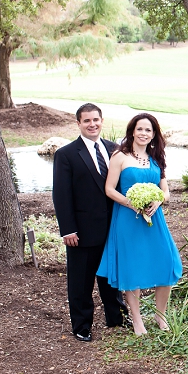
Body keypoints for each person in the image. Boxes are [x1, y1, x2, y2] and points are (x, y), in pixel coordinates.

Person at [96, 113, 183, 336]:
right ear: (132, 131)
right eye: (140, 129)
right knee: (132, 267)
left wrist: (159, 199)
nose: (144, 133)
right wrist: (130, 203)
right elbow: (109, 189)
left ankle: (160, 316)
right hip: (127, 219)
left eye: (148, 130)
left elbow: (166, 191)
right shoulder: (120, 156)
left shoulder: (156, 158)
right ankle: (137, 320)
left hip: (155, 219)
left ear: (154, 135)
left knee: (166, 262)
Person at [53, 103, 128, 342]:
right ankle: (82, 325)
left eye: (96, 120)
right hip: (82, 231)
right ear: (78, 124)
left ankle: (116, 318)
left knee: (111, 276)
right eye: (86, 121)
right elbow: (61, 195)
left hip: (113, 227)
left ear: (101, 121)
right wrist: (68, 229)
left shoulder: (114, 149)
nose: (92, 124)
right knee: (81, 281)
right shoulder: (66, 154)